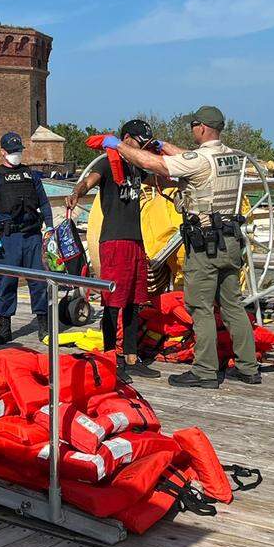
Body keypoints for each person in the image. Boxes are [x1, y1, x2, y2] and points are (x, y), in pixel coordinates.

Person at [100, 106, 260, 389]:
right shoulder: (233, 158)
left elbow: (155, 166)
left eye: (193, 126)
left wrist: (119, 147)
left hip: (206, 245)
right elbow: (192, 158)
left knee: (200, 307)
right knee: (232, 304)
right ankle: (248, 367)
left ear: (201, 128)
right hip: (231, 241)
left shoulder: (199, 161)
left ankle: (205, 371)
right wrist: (162, 145)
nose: (192, 130)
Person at [66, 119, 159, 378]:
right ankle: (109, 358)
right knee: (113, 301)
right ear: (127, 138)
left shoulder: (137, 167)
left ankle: (131, 356)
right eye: (140, 141)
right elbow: (88, 181)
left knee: (135, 300)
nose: (142, 146)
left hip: (136, 240)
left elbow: (161, 177)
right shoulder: (108, 163)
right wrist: (75, 193)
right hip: (114, 240)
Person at [0, 131, 54, 344]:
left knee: (39, 282)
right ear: (3, 152)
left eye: (18, 151)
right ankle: (5, 328)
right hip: (7, 238)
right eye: (12, 152)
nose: (16, 155)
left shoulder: (30, 175)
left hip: (32, 236)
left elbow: (44, 203)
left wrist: (49, 227)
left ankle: (43, 325)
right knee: (6, 282)